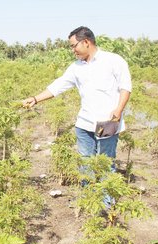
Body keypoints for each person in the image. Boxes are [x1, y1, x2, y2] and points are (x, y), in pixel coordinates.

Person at [23, 26, 132, 203]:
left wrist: (118, 111)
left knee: (106, 164)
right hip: (84, 124)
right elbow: (58, 86)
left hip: (107, 122)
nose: (72, 50)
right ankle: (88, 201)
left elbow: (125, 87)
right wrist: (36, 99)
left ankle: (106, 205)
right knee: (85, 164)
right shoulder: (76, 67)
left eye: (74, 46)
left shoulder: (113, 61)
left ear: (86, 42)